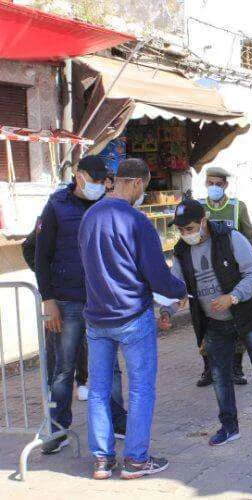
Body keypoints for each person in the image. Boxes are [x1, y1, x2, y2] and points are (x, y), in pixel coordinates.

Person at [79, 158, 187, 480]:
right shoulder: (137, 221)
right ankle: (136, 461)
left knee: (98, 390)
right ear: (138, 183)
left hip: (97, 318)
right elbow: (157, 274)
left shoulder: (89, 216)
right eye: (145, 187)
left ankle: (102, 460)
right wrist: (180, 290)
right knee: (140, 388)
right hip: (132, 317)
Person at [158, 199, 252, 446]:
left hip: (246, 317)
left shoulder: (230, 238)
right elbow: (178, 290)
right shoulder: (181, 252)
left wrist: (233, 297)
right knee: (220, 377)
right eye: (181, 230)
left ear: (203, 221)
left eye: (190, 228)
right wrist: (167, 312)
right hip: (214, 324)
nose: (186, 234)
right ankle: (229, 427)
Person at [34, 155, 127, 455]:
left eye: (102, 180)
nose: (98, 185)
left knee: (111, 366)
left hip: (102, 301)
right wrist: (48, 299)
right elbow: (40, 256)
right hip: (67, 300)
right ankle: (57, 428)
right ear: (78, 174)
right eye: (94, 179)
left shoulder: (107, 205)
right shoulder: (56, 207)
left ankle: (118, 421)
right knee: (63, 369)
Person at [196, 166, 252, 387]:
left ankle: (236, 368)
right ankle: (209, 368)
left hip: (231, 275)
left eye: (218, 184)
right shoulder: (198, 207)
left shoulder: (237, 208)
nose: (214, 187)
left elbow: (251, 239)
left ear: (225, 185)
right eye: (210, 183)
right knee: (204, 323)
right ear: (205, 183)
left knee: (237, 322)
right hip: (205, 275)